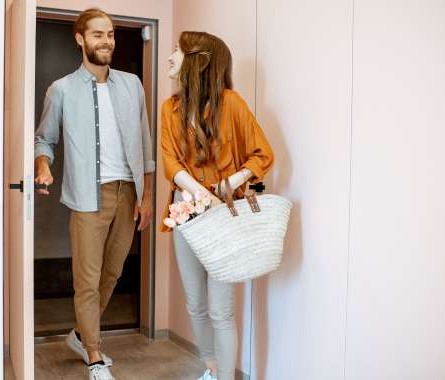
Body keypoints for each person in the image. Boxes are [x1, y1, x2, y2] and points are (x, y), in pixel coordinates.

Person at [34, 8, 154, 380]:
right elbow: (44, 138)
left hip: (128, 194)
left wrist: (146, 195)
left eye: (111, 34)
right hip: (88, 197)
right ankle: (94, 354)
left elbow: (145, 142)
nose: (107, 41)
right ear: (80, 39)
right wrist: (42, 164)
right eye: (99, 34)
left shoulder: (132, 84)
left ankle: (80, 335)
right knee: (87, 279)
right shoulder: (62, 89)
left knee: (113, 273)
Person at [161, 31, 274, 380]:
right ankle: (211, 369)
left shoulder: (232, 103)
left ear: (199, 61)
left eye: (176, 51)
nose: (169, 57)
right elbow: (170, 162)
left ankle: (226, 377)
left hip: (226, 211)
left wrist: (227, 185)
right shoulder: (170, 108)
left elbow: (262, 154)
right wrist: (198, 192)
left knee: (220, 310)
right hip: (187, 207)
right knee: (195, 303)